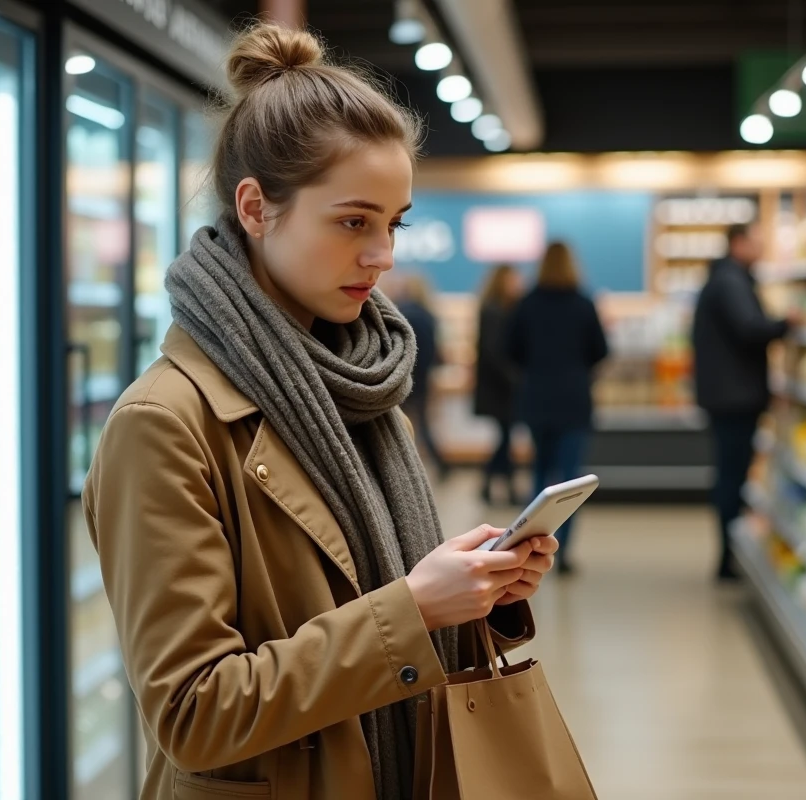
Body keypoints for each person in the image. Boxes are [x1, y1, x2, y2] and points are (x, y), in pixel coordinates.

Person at [81, 24, 559, 800]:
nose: (384, 255)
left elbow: (379, 621)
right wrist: (412, 608)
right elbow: (195, 712)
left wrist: (475, 598)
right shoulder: (166, 425)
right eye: (353, 222)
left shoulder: (369, 398)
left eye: (393, 222)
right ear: (256, 208)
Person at [692, 222, 791, 582]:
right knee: (732, 476)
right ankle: (727, 559)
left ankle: (729, 553)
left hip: (726, 395)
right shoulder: (731, 282)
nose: (761, 246)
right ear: (738, 243)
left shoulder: (722, 279)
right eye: (755, 240)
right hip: (734, 398)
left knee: (729, 473)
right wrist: (786, 323)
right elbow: (750, 328)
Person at [508, 242, 608, 574]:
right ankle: (562, 552)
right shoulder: (583, 303)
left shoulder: (527, 304)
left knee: (539, 475)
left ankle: (530, 549)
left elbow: (511, 349)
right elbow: (601, 350)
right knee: (570, 480)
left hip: (538, 397)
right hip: (574, 399)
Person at [474, 264, 523, 505]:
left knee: (505, 437)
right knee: (505, 437)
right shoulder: (495, 311)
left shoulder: (498, 309)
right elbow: (494, 353)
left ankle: (492, 484)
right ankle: (504, 485)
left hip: (498, 388)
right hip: (499, 390)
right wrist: (515, 378)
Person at [395, 274, 448, 479]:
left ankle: (407, 468)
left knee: (400, 425)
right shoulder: (429, 316)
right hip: (422, 378)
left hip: (404, 377)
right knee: (423, 425)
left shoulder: (403, 314)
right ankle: (440, 464)